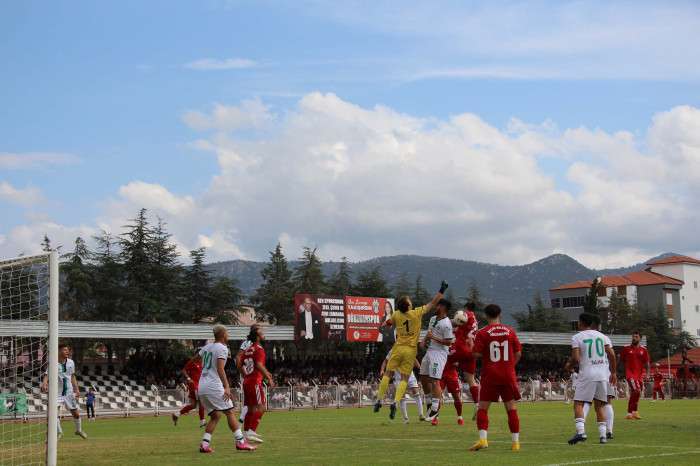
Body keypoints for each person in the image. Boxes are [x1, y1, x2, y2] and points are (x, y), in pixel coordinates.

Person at [373, 280, 448, 420]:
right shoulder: (416, 313)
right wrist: (442, 290)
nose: (411, 302)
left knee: (387, 374)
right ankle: (395, 402)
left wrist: (384, 324)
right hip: (410, 350)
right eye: (409, 301)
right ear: (408, 305)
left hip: (397, 348)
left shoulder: (396, 314)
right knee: (404, 378)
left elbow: (387, 324)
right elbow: (433, 303)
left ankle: (378, 400)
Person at [469, 304, 522, 452]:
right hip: (508, 374)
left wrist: (471, 345)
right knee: (511, 408)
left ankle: (483, 440)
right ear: (500, 314)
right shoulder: (510, 331)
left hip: (490, 374)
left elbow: (476, 354)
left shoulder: (482, 332)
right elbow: (518, 353)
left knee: (482, 408)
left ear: (486, 315)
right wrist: (510, 365)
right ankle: (515, 443)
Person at [197, 324, 255, 453]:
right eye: (227, 333)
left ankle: (204, 444)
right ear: (223, 335)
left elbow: (196, 358)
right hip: (213, 385)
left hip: (202, 386)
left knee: (215, 416)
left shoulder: (206, 347)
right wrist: (227, 386)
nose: (228, 335)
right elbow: (220, 368)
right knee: (229, 412)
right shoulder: (222, 348)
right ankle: (240, 442)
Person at [567, 312, 617, 445]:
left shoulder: (577, 337)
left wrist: (569, 366)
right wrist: (613, 372)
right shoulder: (602, 336)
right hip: (602, 375)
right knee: (599, 405)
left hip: (587, 374)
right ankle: (603, 435)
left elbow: (576, 358)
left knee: (578, 403)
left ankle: (580, 432)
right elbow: (612, 354)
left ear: (581, 323)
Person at [41, 344, 88, 440]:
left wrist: (76, 389)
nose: (67, 352)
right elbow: (46, 375)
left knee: (76, 413)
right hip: (56, 392)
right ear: (59, 351)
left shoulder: (71, 362)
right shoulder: (53, 362)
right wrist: (44, 383)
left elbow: (72, 376)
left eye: (68, 350)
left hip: (68, 392)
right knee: (53, 413)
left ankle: (78, 430)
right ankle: (59, 432)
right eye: (65, 350)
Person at [420, 298, 455, 425]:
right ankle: (429, 404)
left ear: (443, 307)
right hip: (430, 351)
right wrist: (424, 340)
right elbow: (429, 332)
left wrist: (433, 337)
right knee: (423, 377)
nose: (436, 307)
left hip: (439, 354)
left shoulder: (446, 324)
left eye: (438, 305)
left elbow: (449, 342)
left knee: (435, 380)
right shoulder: (433, 319)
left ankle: (435, 409)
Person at [239, 325, 274, 443]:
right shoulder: (259, 349)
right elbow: (258, 365)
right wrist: (268, 377)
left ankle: (246, 433)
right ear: (257, 336)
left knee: (250, 409)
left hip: (247, 382)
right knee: (262, 407)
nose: (264, 334)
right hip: (254, 382)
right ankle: (251, 431)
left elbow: (239, 363)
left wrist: (245, 375)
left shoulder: (248, 349)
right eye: (262, 332)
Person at [451, 305, 480, 419]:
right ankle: (477, 404)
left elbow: (455, 323)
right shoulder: (473, 320)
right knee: (471, 379)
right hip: (472, 351)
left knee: (444, 362)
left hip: (461, 348)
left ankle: (434, 403)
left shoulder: (464, 317)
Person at [379, 350, 424, 423]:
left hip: (410, 376)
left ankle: (421, 415)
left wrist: (420, 368)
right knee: (402, 397)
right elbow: (385, 361)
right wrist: (382, 370)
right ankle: (406, 418)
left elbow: (414, 359)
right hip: (399, 378)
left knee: (416, 392)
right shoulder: (392, 351)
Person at [619, 331, 650, 419]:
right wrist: (619, 372)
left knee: (636, 393)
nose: (634, 338)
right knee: (636, 391)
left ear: (640, 338)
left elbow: (647, 363)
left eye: (636, 337)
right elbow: (621, 361)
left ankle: (633, 413)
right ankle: (630, 412)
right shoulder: (626, 348)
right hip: (630, 374)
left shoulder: (644, 350)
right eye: (633, 336)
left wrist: (647, 374)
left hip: (639, 376)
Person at [172, 350, 206, 428]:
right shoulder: (192, 362)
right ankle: (202, 421)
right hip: (194, 385)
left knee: (193, 405)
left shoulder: (201, 363)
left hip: (199, 385)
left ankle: (177, 414)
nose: (201, 356)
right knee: (201, 402)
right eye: (200, 354)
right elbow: (184, 370)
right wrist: (188, 378)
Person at [236, 326, 258, 424]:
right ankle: (245, 425)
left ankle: (242, 423)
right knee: (252, 402)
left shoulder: (254, 344)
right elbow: (238, 358)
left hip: (253, 375)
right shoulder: (247, 343)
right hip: (250, 374)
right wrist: (243, 373)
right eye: (259, 329)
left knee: (250, 402)